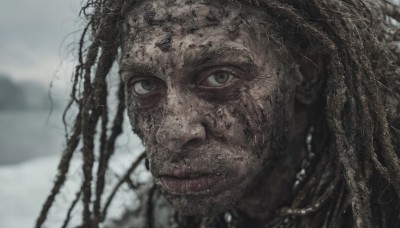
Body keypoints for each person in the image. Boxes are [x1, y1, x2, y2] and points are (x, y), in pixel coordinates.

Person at [36, 0, 400, 227]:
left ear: (305, 74)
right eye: (146, 85)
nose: (173, 131)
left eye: (218, 77)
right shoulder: (159, 216)